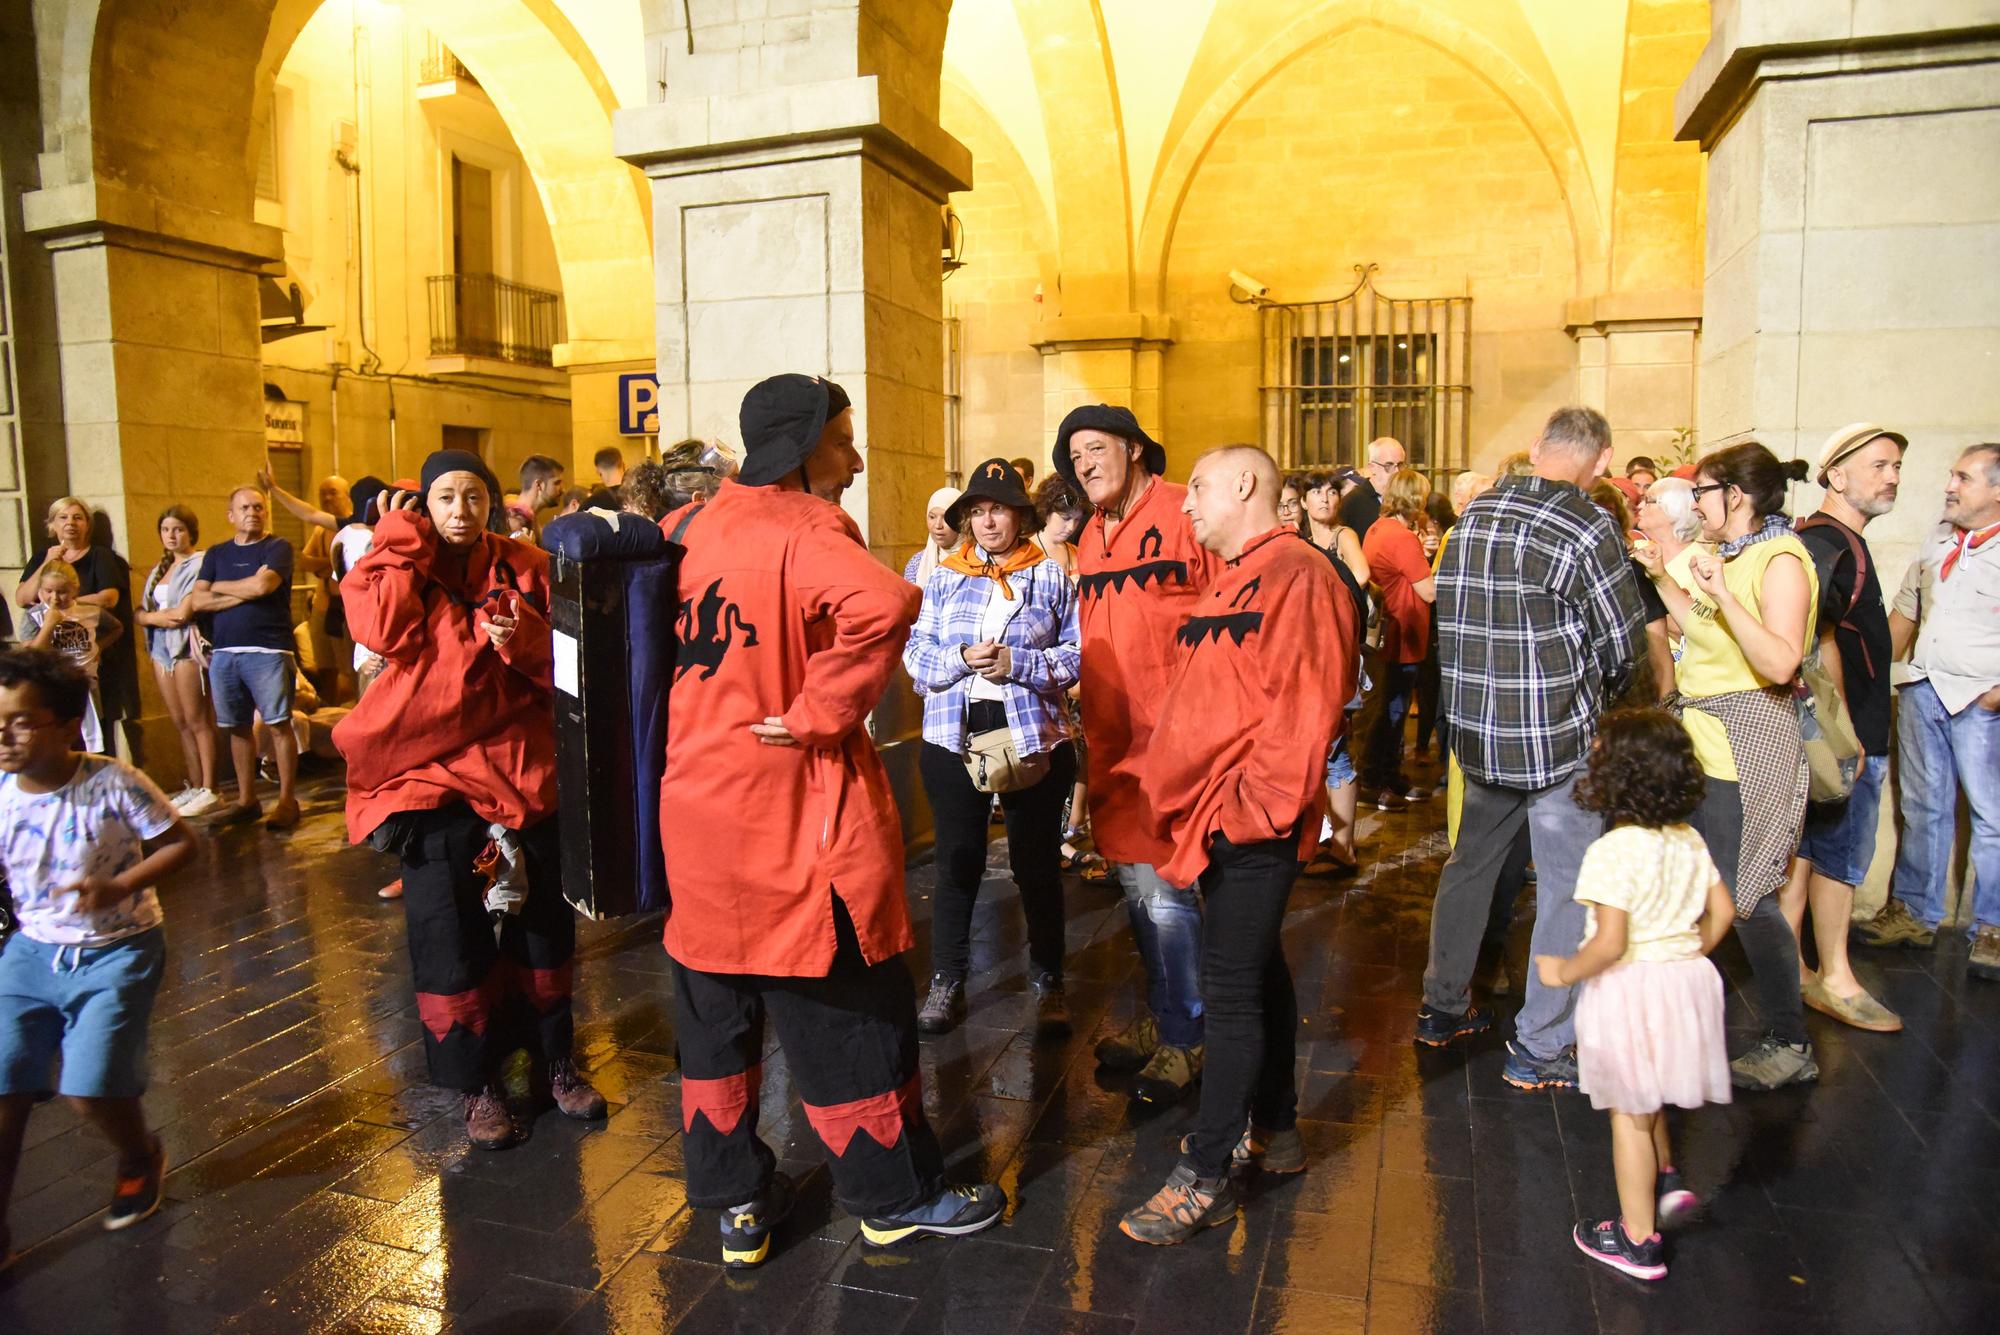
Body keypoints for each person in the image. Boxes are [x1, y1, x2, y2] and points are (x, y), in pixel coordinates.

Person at [657, 374, 1003, 1267]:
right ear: (804, 445)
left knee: (716, 1012)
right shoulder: (805, 526)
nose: (854, 461)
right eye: (843, 441)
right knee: (846, 1011)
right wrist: (820, 710)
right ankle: (893, 1201)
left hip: (695, 817)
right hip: (790, 823)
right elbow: (885, 604)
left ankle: (739, 1206)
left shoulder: (684, 527)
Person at [1117, 446, 1354, 1245]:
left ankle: (1205, 1171)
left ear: (1246, 485)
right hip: (1219, 817)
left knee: (1229, 989)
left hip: (1249, 821)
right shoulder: (1237, 573)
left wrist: (1246, 812)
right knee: (1253, 969)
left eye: (1200, 489)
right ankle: (1277, 1131)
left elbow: (1306, 708)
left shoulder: (1299, 574)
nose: (1186, 505)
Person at [335, 450, 605, 1151]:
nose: (461, 511)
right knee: (447, 931)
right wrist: (399, 541)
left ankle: (554, 1059)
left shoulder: (526, 564)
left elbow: (577, 660)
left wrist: (527, 639)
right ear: (423, 504)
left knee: (543, 924)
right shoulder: (398, 560)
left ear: (493, 500)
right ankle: (475, 1084)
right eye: (446, 497)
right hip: (428, 774)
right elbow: (380, 631)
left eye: (474, 496)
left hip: (521, 767)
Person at [1418, 406, 1646, 1095]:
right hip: (1556, 736)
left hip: (1478, 731)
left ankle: (1441, 1007)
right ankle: (1542, 1044)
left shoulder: (1475, 515)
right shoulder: (1587, 524)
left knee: (1469, 866)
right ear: (1601, 461)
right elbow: (1623, 641)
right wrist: (1602, 694)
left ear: (1537, 446)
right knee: (1566, 888)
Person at [0, 648, 200, 1262]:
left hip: (118, 951)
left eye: (21, 722)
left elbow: (181, 843)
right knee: (5, 1079)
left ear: (67, 725)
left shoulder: (112, 781)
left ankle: (139, 1154)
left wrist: (119, 886)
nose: (4, 735)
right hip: (30, 951)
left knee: (89, 1088)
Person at [1638, 441, 1819, 1090]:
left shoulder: (1781, 559)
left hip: (1749, 746)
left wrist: (1721, 592)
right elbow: (1704, 631)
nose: (1694, 503)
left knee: (1749, 901)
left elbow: (1780, 662)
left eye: (1702, 492)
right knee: (1710, 886)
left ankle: (1790, 1040)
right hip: (1709, 741)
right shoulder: (1732, 555)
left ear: (1734, 497)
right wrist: (1664, 578)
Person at [1056, 404, 1222, 1105]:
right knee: (1136, 891)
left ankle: (1190, 1036)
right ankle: (1167, 1017)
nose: (1084, 464)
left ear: (1134, 449)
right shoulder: (1093, 532)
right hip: (1113, 746)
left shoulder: (1187, 510)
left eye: (1095, 449)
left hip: (1173, 747)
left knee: (1168, 898)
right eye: (1075, 456)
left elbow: (1232, 608)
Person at [1535, 708, 1732, 1282]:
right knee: (1653, 1090)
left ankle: (1637, 1239)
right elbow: (1723, 911)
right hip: (1684, 983)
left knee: (1628, 1114)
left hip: (1631, 991)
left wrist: (1563, 973)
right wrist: (1686, 952)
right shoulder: (1689, 839)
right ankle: (1665, 1177)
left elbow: (1610, 944)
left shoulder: (1612, 852)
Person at [905, 459, 1081, 1037]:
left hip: (1032, 737)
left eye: (998, 510)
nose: (986, 521)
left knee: (1036, 865)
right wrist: (959, 660)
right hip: (953, 736)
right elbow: (915, 654)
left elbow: (1078, 654)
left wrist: (1018, 663)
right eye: (977, 511)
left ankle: (1049, 981)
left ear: (1020, 516)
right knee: (957, 862)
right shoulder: (944, 577)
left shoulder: (1049, 575)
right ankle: (947, 979)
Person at [1856, 443, 2000, 979]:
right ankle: (1914, 914)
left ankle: (1993, 927)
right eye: (1951, 475)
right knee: (1922, 808)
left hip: (1982, 701)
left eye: (1963, 478)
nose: (1949, 486)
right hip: (1924, 690)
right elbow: (1907, 611)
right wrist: (1876, 678)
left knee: (1993, 818)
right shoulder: (1939, 538)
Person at [1781, 424, 1906, 1029]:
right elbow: (1813, 640)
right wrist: (1848, 736)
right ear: (1835, 476)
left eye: (1897, 466)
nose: (1892, 477)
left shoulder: (1827, 540)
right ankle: (1834, 977)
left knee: (1806, 851)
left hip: (1832, 736)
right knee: (1837, 855)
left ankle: (1795, 970)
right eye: (1879, 465)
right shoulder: (1828, 544)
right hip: (1841, 739)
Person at [187, 486, 300, 830]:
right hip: (224, 652)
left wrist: (220, 586)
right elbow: (198, 601)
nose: (253, 512)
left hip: (268, 650)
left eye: (258, 507)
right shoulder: (217, 553)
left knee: (278, 724)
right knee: (236, 727)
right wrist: (245, 588)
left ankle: (287, 800)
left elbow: (263, 587)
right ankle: (247, 800)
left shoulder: (278, 547)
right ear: (231, 515)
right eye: (245, 508)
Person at [14, 497, 139, 750]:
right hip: (52, 668)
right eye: (63, 517)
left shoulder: (100, 556)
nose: (70, 523)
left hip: (87, 662)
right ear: (52, 525)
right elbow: (23, 598)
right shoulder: (43, 558)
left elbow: (108, 598)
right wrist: (47, 563)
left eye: (77, 518)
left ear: (87, 525)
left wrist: (70, 606)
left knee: (94, 733)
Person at [1357, 468, 1436, 809]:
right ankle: (1376, 781)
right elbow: (1428, 591)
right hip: (1402, 634)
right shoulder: (1401, 538)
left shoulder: (1379, 528)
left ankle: (1389, 778)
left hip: (1392, 633)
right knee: (1391, 714)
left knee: (1390, 711)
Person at [133, 507, 219, 816]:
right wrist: (155, 618)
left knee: (198, 719)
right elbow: (140, 612)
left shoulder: (200, 563)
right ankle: (194, 784)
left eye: (178, 529)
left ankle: (210, 787)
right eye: (166, 529)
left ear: (190, 532)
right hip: (161, 648)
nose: (171, 535)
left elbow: (183, 612)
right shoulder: (161, 567)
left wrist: (153, 617)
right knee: (180, 721)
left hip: (186, 646)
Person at [22, 561, 115, 753]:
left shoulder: (89, 611)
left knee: (89, 739)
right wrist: (49, 625)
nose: (55, 598)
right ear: (40, 591)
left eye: (62, 592)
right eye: (48, 591)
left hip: (86, 685)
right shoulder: (34, 616)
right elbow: (33, 655)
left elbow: (116, 628)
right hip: (51, 687)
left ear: (75, 590)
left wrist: (99, 648)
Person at [1337, 436, 1406, 535]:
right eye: (1388, 466)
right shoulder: (1352, 502)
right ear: (1372, 467)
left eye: (1400, 465)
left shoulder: (1405, 500)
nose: (1396, 471)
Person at [903, 486, 963, 584]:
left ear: (961, 520)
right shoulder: (916, 564)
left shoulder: (976, 562)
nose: (938, 525)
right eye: (932, 517)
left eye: (946, 518)